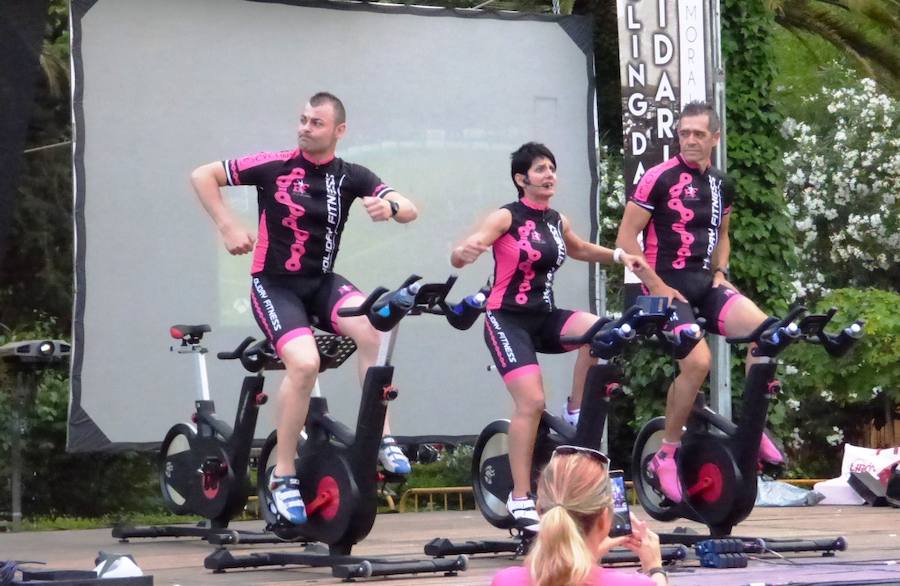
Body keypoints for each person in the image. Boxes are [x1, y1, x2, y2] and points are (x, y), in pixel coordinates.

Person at [190, 91, 418, 525]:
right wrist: (228, 224)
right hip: (274, 286)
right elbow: (203, 175)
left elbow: (410, 209)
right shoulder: (273, 165)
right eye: (302, 120)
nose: (305, 128)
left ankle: (381, 437)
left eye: (315, 122)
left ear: (339, 131)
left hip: (321, 283)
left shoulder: (352, 175)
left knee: (377, 327)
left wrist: (388, 206)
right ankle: (283, 474)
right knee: (304, 364)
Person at [450, 142, 650, 527]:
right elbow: (465, 250)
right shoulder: (505, 217)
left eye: (552, 169)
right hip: (505, 319)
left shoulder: (557, 220)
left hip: (543, 316)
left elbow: (577, 249)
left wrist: (620, 256)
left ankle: (574, 410)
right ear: (521, 179)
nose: (549, 175)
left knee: (602, 331)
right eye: (540, 169)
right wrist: (463, 253)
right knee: (531, 402)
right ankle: (520, 497)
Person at [614, 101, 783, 504]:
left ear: (714, 138)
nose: (689, 140)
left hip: (704, 283)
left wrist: (721, 272)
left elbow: (722, 234)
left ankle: (750, 430)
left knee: (770, 336)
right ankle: (666, 453)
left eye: (697, 134)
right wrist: (655, 285)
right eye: (684, 132)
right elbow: (624, 240)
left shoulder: (723, 184)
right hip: (660, 288)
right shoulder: (658, 178)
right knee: (698, 363)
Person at [492, 446, 668, 586]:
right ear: (604, 520)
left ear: (539, 510)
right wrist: (655, 569)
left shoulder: (505, 580)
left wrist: (589, 553)